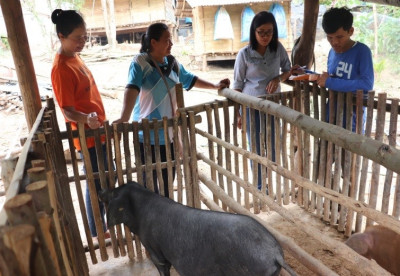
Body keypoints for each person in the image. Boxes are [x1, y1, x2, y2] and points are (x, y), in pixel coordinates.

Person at [113, 22, 230, 198]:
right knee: (149, 187)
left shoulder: (173, 63)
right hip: (146, 136)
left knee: (167, 184)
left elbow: (190, 79)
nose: (171, 44)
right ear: (153, 42)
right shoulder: (140, 62)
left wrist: (215, 86)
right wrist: (124, 117)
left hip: (169, 136)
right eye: (167, 40)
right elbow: (132, 88)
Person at [51, 9, 110, 240]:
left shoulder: (74, 57)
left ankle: (101, 223)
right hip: (87, 136)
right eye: (77, 38)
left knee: (102, 177)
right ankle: (96, 229)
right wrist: (86, 119)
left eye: (85, 37)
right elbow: (66, 109)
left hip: (97, 131)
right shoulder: (61, 68)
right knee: (95, 181)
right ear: (61, 36)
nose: (82, 42)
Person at [233, 11, 291, 191]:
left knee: (273, 146)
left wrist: (278, 79)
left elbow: (288, 70)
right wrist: (239, 113)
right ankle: (260, 186)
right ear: (253, 32)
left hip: (273, 106)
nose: (265, 36)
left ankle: (272, 184)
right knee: (256, 146)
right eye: (261, 32)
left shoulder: (278, 49)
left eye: (269, 32)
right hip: (251, 106)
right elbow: (237, 85)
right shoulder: (244, 54)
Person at [317, 7, 374, 132]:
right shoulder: (332, 53)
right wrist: (310, 75)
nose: (334, 42)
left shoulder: (362, 51)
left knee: (348, 151)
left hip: (351, 122)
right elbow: (335, 78)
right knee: (327, 150)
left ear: (351, 31)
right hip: (331, 117)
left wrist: (329, 82)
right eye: (330, 38)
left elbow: (367, 84)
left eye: (339, 37)